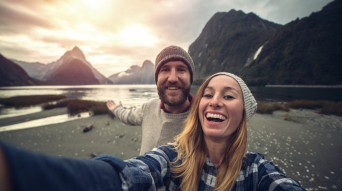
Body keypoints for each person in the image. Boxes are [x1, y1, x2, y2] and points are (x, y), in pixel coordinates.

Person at [0, 72, 305, 191]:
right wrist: (21, 171)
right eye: (209, 94)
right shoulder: (173, 156)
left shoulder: (257, 172)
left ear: (243, 114)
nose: (215, 101)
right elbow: (127, 175)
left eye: (228, 95)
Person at [106, 45, 195, 155]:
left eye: (181, 70)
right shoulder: (148, 108)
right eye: (165, 70)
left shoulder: (203, 117)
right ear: (156, 79)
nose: (172, 78)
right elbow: (128, 116)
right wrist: (116, 108)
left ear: (191, 78)